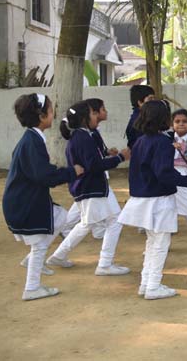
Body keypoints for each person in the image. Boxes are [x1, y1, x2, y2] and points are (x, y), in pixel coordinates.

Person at [3, 94, 84, 300]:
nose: (53, 112)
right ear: (41, 115)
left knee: (61, 216)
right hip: (24, 203)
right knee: (40, 243)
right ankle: (32, 288)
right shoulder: (32, 141)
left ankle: (31, 261)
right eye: (50, 109)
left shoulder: (32, 138)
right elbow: (44, 176)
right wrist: (72, 172)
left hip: (25, 200)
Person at [118, 100, 187, 300]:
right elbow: (165, 174)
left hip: (142, 197)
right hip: (159, 200)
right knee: (160, 243)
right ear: (164, 118)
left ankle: (146, 283)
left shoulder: (140, 142)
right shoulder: (162, 143)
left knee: (152, 242)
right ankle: (153, 286)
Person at [46, 102, 130, 276]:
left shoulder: (83, 136)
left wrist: (111, 156)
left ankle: (59, 255)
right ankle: (104, 264)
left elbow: (93, 160)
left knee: (96, 222)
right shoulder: (82, 137)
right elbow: (94, 165)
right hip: (91, 188)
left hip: (92, 187)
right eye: (93, 113)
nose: (96, 115)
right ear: (85, 118)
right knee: (108, 221)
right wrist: (120, 158)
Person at [64, 98, 115, 239]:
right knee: (87, 219)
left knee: (92, 211)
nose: (104, 112)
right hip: (89, 180)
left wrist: (107, 153)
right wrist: (119, 158)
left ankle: (98, 231)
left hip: (91, 180)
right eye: (96, 112)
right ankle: (64, 234)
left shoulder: (87, 133)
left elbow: (96, 152)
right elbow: (92, 163)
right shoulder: (83, 136)